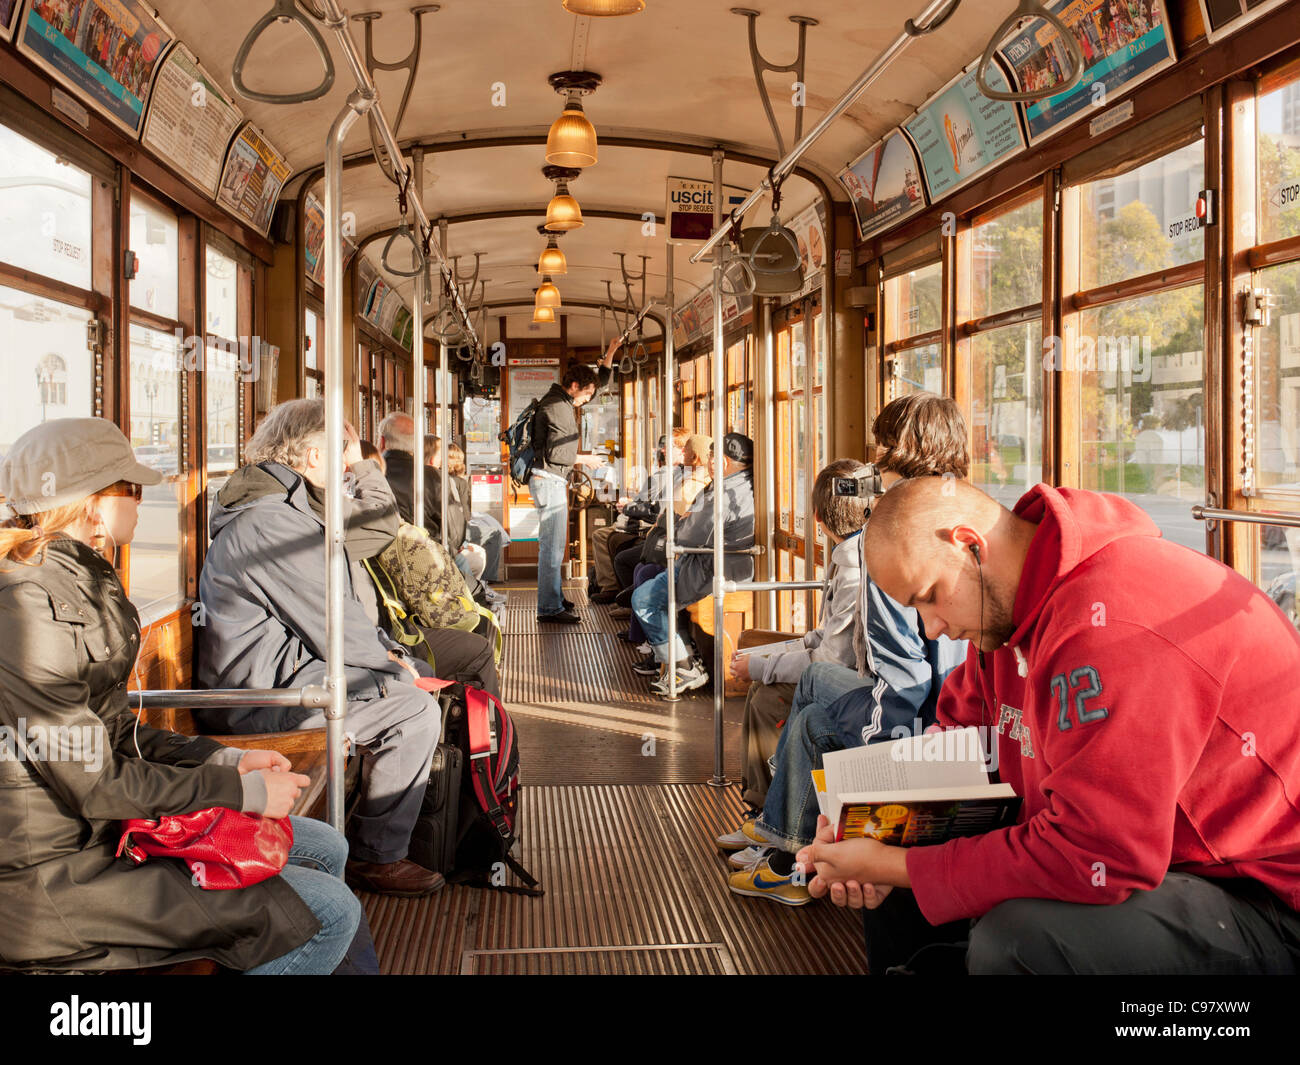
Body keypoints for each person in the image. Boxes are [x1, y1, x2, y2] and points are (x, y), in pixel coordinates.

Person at [799, 476, 1300, 974]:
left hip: (1260, 895)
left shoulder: (1111, 627)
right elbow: (957, 740)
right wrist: (868, 828)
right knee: (903, 870)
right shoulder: (1002, 623)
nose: (932, 628)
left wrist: (893, 866)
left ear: (970, 545)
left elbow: (1102, 853)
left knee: (1019, 940)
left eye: (929, 595)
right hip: (1158, 868)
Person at [0, 418, 360, 973]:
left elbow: (116, 733)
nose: (143, 502)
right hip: (54, 881)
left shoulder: (75, 583)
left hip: (101, 835)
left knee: (321, 846)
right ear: (91, 506)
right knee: (329, 912)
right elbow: (95, 782)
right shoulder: (27, 609)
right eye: (131, 489)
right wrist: (240, 793)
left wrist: (224, 758)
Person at [722, 394, 970, 904]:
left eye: (880, 448)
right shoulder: (965, 518)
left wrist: (869, 777)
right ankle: (779, 831)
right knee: (813, 686)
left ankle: (790, 857)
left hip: (925, 730)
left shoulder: (890, 544)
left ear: (894, 452)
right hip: (959, 718)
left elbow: (901, 680)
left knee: (814, 721)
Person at [197, 399, 445, 898]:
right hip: (262, 698)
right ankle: (379, 858)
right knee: (414, 709)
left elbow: (365, 548)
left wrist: (393, 660)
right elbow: (332, 621)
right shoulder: (271, 523)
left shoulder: (291, 506)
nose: (346, 468)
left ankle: (377, 831)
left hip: (289, 673)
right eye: (340, 455)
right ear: (313, 458)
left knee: (412, 683)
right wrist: (396, 671)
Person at [730, 459, 870, 813]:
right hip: (848, 672)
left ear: (818, 520)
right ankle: (758, 801)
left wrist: (763, 667)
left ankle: (767, 809)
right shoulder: (849, 561)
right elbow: (823, 637)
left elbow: (830, 660)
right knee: (760, 686)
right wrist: (767, 656)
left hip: (854, 683)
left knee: (766, 698)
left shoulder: (854, 572)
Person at [631, 432, 754, 697]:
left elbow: (688, 534)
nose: (709, 461)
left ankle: (683, 666)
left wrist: (682, 522)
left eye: (712, 456)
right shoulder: (744, 485)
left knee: (644, 599)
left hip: (709, 570)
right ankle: (684, 658)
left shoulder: (724, 492)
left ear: (722, 461)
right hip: (725, 565)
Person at [530, 339, 618, 623]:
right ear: (575, 387)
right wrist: (586, 460)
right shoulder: (558, 407)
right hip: (549, 479)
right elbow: (559, 452)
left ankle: (553, 598)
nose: (588, 399)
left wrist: (611, 354)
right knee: (552, 548)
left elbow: (599, 383)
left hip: (551, 479)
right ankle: (548, 608)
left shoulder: (562, 399)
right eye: (586, 394)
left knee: (555, 546)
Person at [590, 429, 687, 603]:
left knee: (604, 539)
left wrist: (629, 507)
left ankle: (613, 590)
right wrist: (631, 504)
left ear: (682, 451)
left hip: (652, 527)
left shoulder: (676, 476)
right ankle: (619, 595)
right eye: (663, 447)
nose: (663, 450)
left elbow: (656, 508)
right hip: (649, 522)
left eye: (668, 446)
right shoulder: (668, 474)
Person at [378, 413, 465, 552]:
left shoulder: (372, 477)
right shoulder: (433, 477)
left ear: (382, 442)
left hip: (383, 564)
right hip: (429, 558)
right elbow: (455, 531)